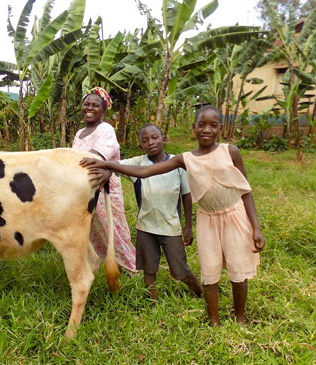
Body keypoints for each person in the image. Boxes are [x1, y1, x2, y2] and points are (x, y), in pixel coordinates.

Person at [81, 105, 265, 326]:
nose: (206, 129)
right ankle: (213, 320)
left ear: (220, 128)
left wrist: (256, 227)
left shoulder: (231, 151)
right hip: (204, 221)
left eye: (213, 125)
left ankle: (240, 317)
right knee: (209, 270)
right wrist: (107, 164)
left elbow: (245, 190)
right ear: (193, 128)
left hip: (233, 217)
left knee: (237, 270)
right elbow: (145, 171)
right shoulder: (184, 159)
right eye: (201, 125)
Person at [117, 123, 202, 304]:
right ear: (141, 146)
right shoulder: (139, 163)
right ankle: (152, 302)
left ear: (164, 139)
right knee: (149, 269)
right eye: (145, 140)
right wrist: (100, 163)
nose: (151, 143)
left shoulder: (178, 164)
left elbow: (186, 196)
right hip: (145, 227)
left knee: (180, 270)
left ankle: (200, 292)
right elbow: (116, 166)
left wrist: (188, 226)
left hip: (170, 227)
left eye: (155, 137)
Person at [72, 87, 137, 273]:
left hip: (105, 189)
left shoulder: (105, 129)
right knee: (91, 230)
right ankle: (100, 267)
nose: (90, 108)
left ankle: (131, 268)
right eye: (86, 104)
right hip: (85, 188)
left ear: (104, 109)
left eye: (95, 105)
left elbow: (96, 157)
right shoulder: (80, 133)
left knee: (112, 230)